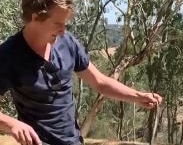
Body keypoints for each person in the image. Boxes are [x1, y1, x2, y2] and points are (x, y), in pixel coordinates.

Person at [0, 0, 163, 145]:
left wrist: (138, 96)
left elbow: (100, 82)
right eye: (58, 24)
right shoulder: (9, 56)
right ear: (35, 17)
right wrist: (12, 124)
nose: (63, 31)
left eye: (65, 24)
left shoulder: (67, 42)